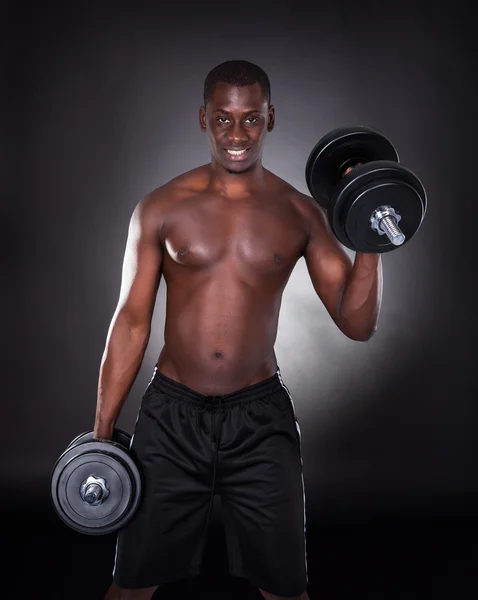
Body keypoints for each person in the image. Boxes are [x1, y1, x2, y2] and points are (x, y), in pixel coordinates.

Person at [95, 60, 382, 600]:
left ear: (270, 119)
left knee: (287, 590)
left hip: (259, 419)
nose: (236, 134)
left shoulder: (299, 214)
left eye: (250, 119)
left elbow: (358, 323)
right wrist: (102, 435)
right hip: (171, 416)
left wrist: (368, 231)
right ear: (203, 118)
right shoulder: (160, 208)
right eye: (223, 119)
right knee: (131, 585)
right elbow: (131, 322)